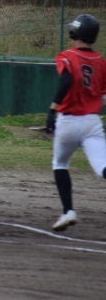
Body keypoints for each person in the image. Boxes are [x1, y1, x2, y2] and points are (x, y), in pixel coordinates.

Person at [46, 14, 106, 231]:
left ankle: (68, 211)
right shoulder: (101, 62)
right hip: (92, 122)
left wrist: (52, 110)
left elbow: (67, 81)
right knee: (102, 167)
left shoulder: (67, 56)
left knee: (60, 163)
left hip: (69, 121)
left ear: (75, 32)